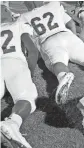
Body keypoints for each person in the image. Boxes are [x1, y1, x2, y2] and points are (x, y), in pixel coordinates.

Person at [20, 2, 84, 104]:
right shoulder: (54, 5)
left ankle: (64, 75)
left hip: (49, 40)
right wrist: (74, 40)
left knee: (58, 62)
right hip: (67, 35)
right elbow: (71, 24)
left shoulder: (23, 17)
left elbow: (27, 39)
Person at [1, 5, 39, 148]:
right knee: (27, 98)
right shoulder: (18, 25)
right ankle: (12, 123)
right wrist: (30, 73)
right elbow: (33, 52)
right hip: (14, 62)